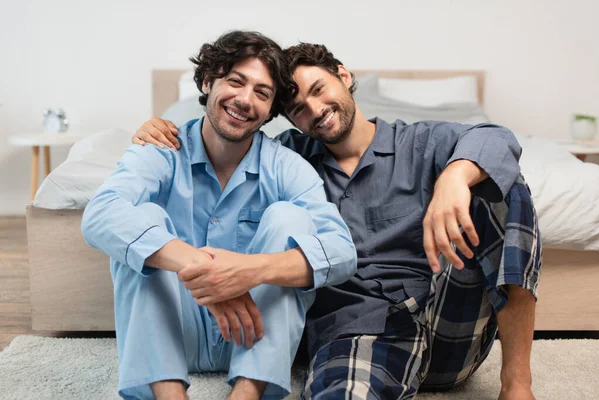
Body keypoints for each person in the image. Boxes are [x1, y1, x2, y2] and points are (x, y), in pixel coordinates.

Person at [133, 42, 541, 400]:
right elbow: (226, 144)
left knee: (499, 187)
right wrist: (163, 129)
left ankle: (516, 384)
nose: (315, 110)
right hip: (357, 327)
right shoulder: (288, 158)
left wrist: (455, 176)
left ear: (343, 76)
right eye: (297, 108)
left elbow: (497, 138)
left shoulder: (421, 141)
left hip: (448, 319)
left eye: (319, 89)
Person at [82, 32, 357, 400]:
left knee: (289, 218)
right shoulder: (162, 149)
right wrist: (204, 271)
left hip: (253, 333)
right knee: (140, 217)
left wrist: (249, 271)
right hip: (174, 331)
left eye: (262, 93)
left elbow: (342, 251)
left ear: (271, 109)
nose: (245, 100)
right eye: (235, 81)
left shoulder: (285, 165)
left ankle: (247, 392)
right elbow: (100, 214)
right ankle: (169, 394)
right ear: (208, 81)